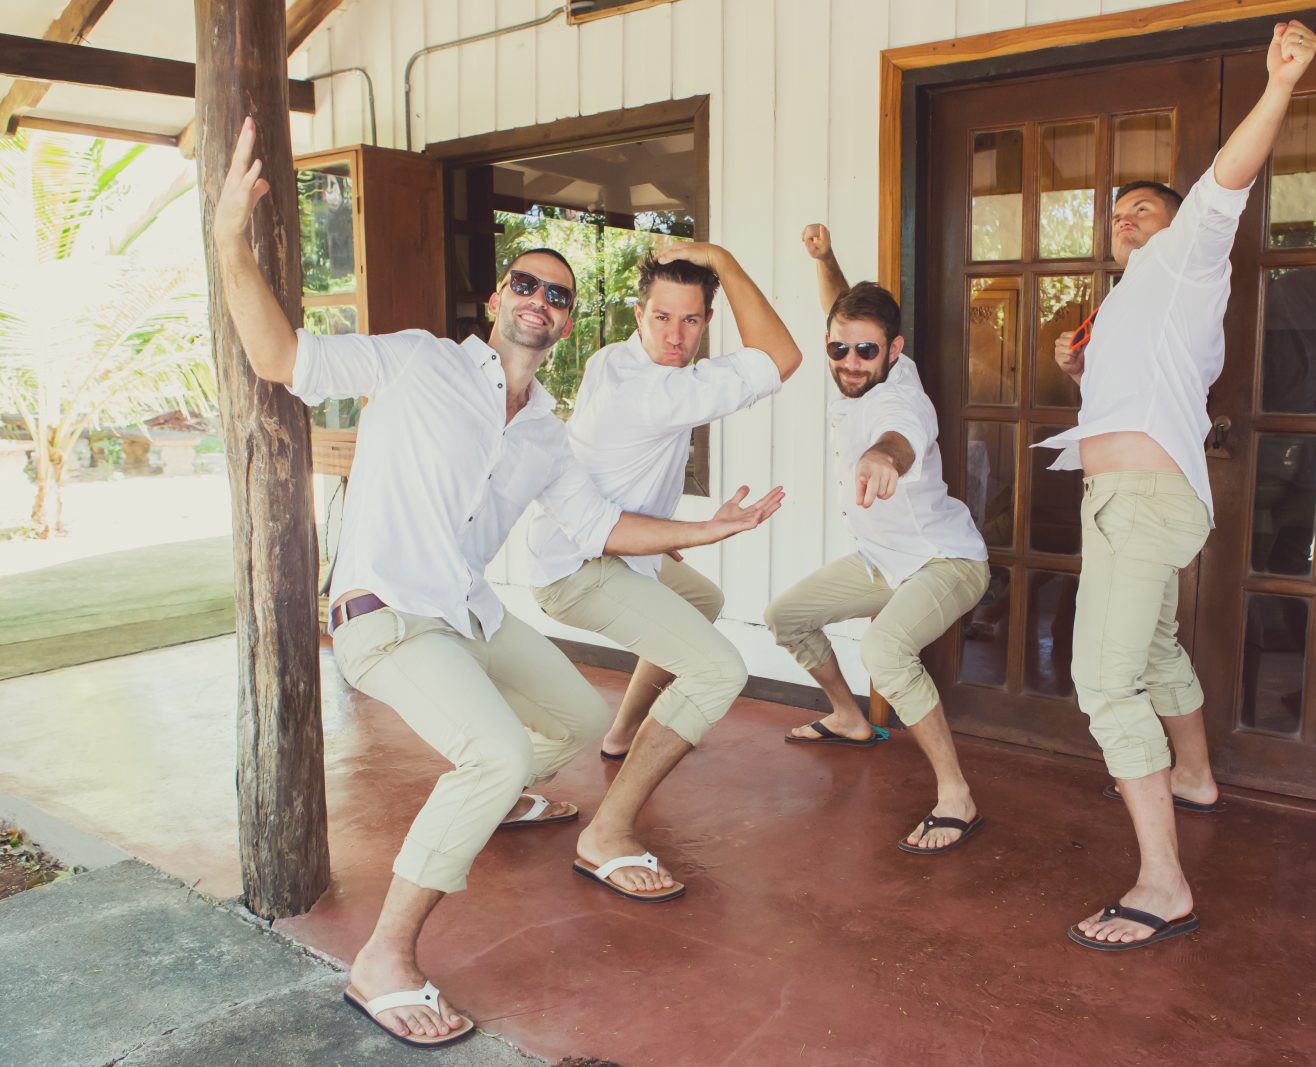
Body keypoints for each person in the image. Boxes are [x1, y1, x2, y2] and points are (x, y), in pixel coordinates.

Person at [211, 118, 783, 1046]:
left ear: (567, 319)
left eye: (558, 294)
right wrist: (231, 236)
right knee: (499, 753)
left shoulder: (547, 432)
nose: (540, 301)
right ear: (495, 298)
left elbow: (600, 526)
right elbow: (282, 359)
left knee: (580, 723)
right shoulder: (417, 361)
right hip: (385, 612)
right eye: (526, 283)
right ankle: (385, 957)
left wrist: (710, 527)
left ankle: (499, 787)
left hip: (470, 614)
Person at [1039, 21, 1316, 950]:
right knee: (1154, 655)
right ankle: (1195, 779)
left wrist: (1278, 85)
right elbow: (1137, 399)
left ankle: (1164, 884)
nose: (1127, 216)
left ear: (1173, 224)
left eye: (1145, 207)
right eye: (1118, 210)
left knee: (1103, 685)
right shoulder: (1128, 305)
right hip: (1124, 497)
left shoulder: (1187, 258)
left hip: (1144, 503)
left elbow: (1226, 184)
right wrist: (1080, 376)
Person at [523, 244, 802, 901]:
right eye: (662, 318)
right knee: (719, 669)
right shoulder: (658, 393)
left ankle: (623, 733)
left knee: (699, 599)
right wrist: (726, 261)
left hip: (602, 541)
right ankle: (607, 831)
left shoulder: (611, 358)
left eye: (691, 321)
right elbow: (783, 356)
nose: (675, 336)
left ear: (706, 321)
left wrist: (652, 533)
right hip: (578, 566)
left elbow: (606, 471)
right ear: (639, 313)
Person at [765, 223, 990, 855]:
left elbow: (901, 434)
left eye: (866, 353)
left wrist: (885, 458)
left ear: (894, 352)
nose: (851, 364)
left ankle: (956, 796)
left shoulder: (903, 400)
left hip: (945, 562)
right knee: (786, 617)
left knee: (886, 654)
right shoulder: (858, 347)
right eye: (839, 351)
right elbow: (841, 310)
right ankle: (848, 718)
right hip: (882, 561)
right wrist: (824, 258)